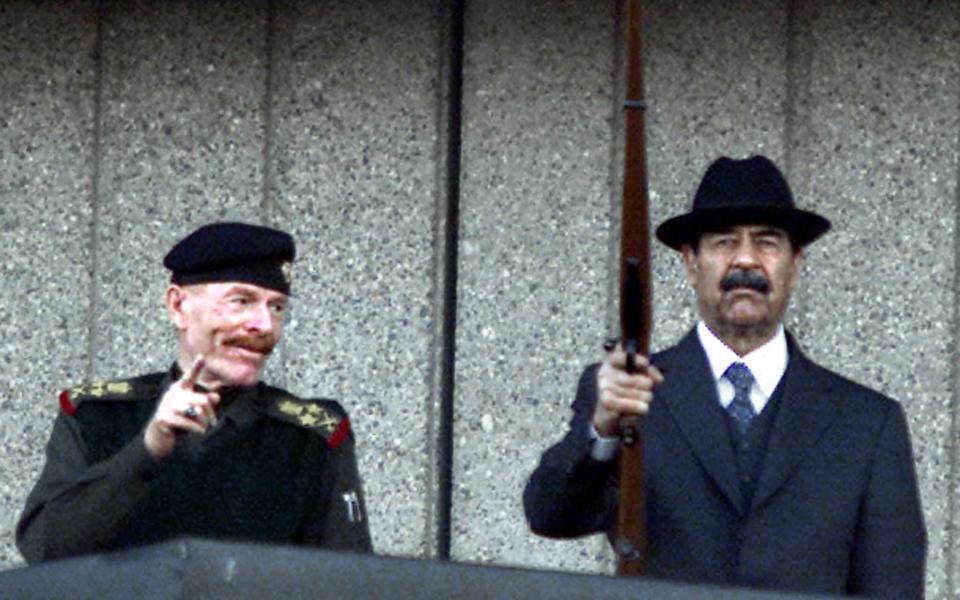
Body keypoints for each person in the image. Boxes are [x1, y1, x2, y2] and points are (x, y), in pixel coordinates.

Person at [523, 156, 926, 598]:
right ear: (691, 263)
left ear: (795, 264)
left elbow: (893, 588)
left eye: (768, 242)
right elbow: (550, 515)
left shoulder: (868, 424)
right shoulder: (631, 394)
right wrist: (601, 428)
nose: (746, 260)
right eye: (724, 242)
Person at [17, 222, 372, 563]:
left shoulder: (311, 436)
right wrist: (147, 450)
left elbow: (351, 582)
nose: (264, 325)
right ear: (178, 306)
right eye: (242, 301)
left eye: (276, 306)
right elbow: (45, 548)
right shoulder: (96, 416)